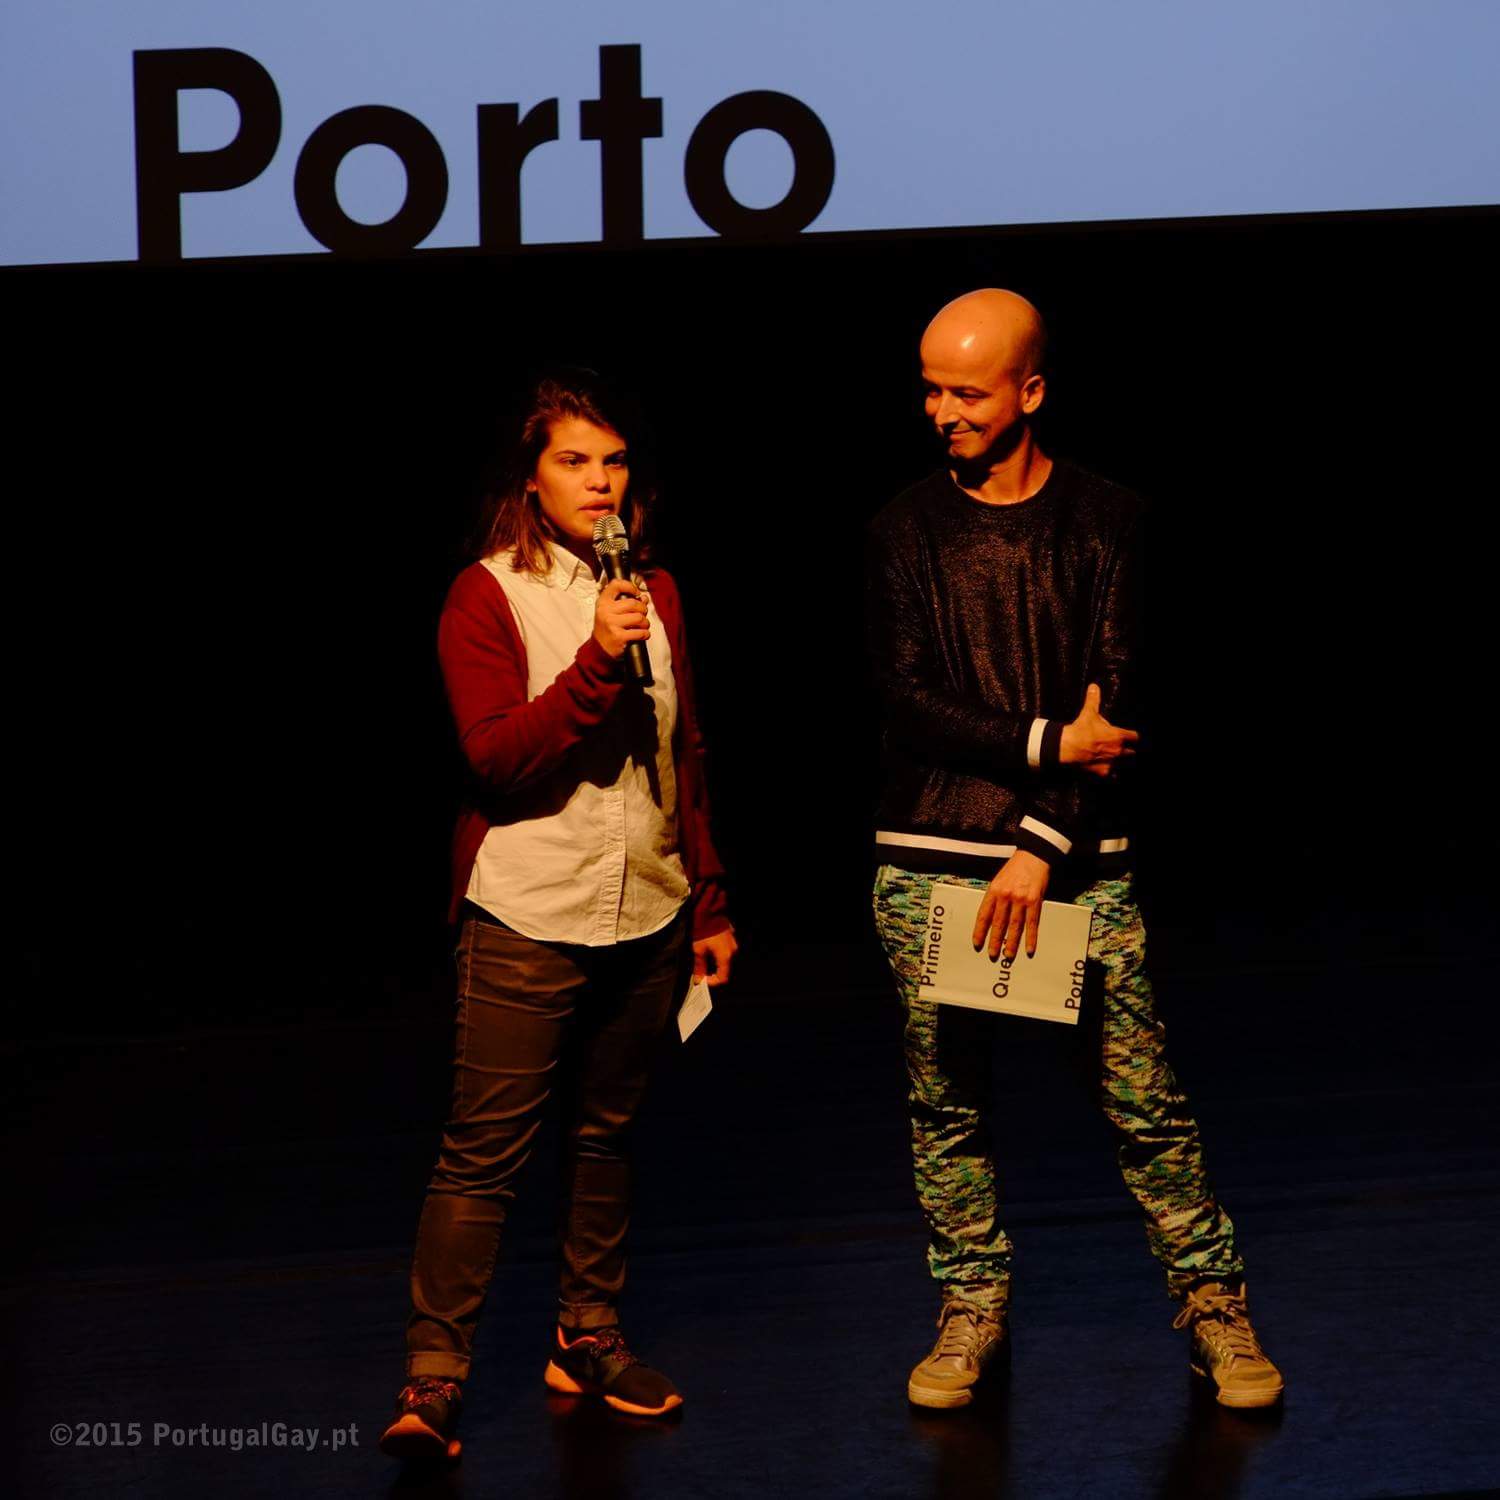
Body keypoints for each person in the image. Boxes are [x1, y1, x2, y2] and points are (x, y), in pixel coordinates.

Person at [867, 289, 1283, 1411]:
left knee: (1144, 1102)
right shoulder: (905, 527)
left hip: (1073, 857)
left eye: (966, 391)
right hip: (935, 849)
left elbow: (1120, 699)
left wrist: (1042, 843)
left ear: (1030, 391)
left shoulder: (1108, 521)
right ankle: (971, 1307)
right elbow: (908, 698)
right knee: (947, 1107)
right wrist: (1050, 741)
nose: (942, 412)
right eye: (930, 390)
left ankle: (1213, 1305)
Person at [380, 369, 737, 1461]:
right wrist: (594, 660)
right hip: (528, 911)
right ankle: (434, 1380)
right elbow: (494, 758)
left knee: (606, 1136)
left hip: (650, 908)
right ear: (529, 480)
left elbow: (684, 750)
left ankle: (587, 1334)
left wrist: (709, 901)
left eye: (614, 461)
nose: (599, 481)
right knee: (483, 1155)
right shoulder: (486, 595)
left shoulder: (655, 589)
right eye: (574, 461)